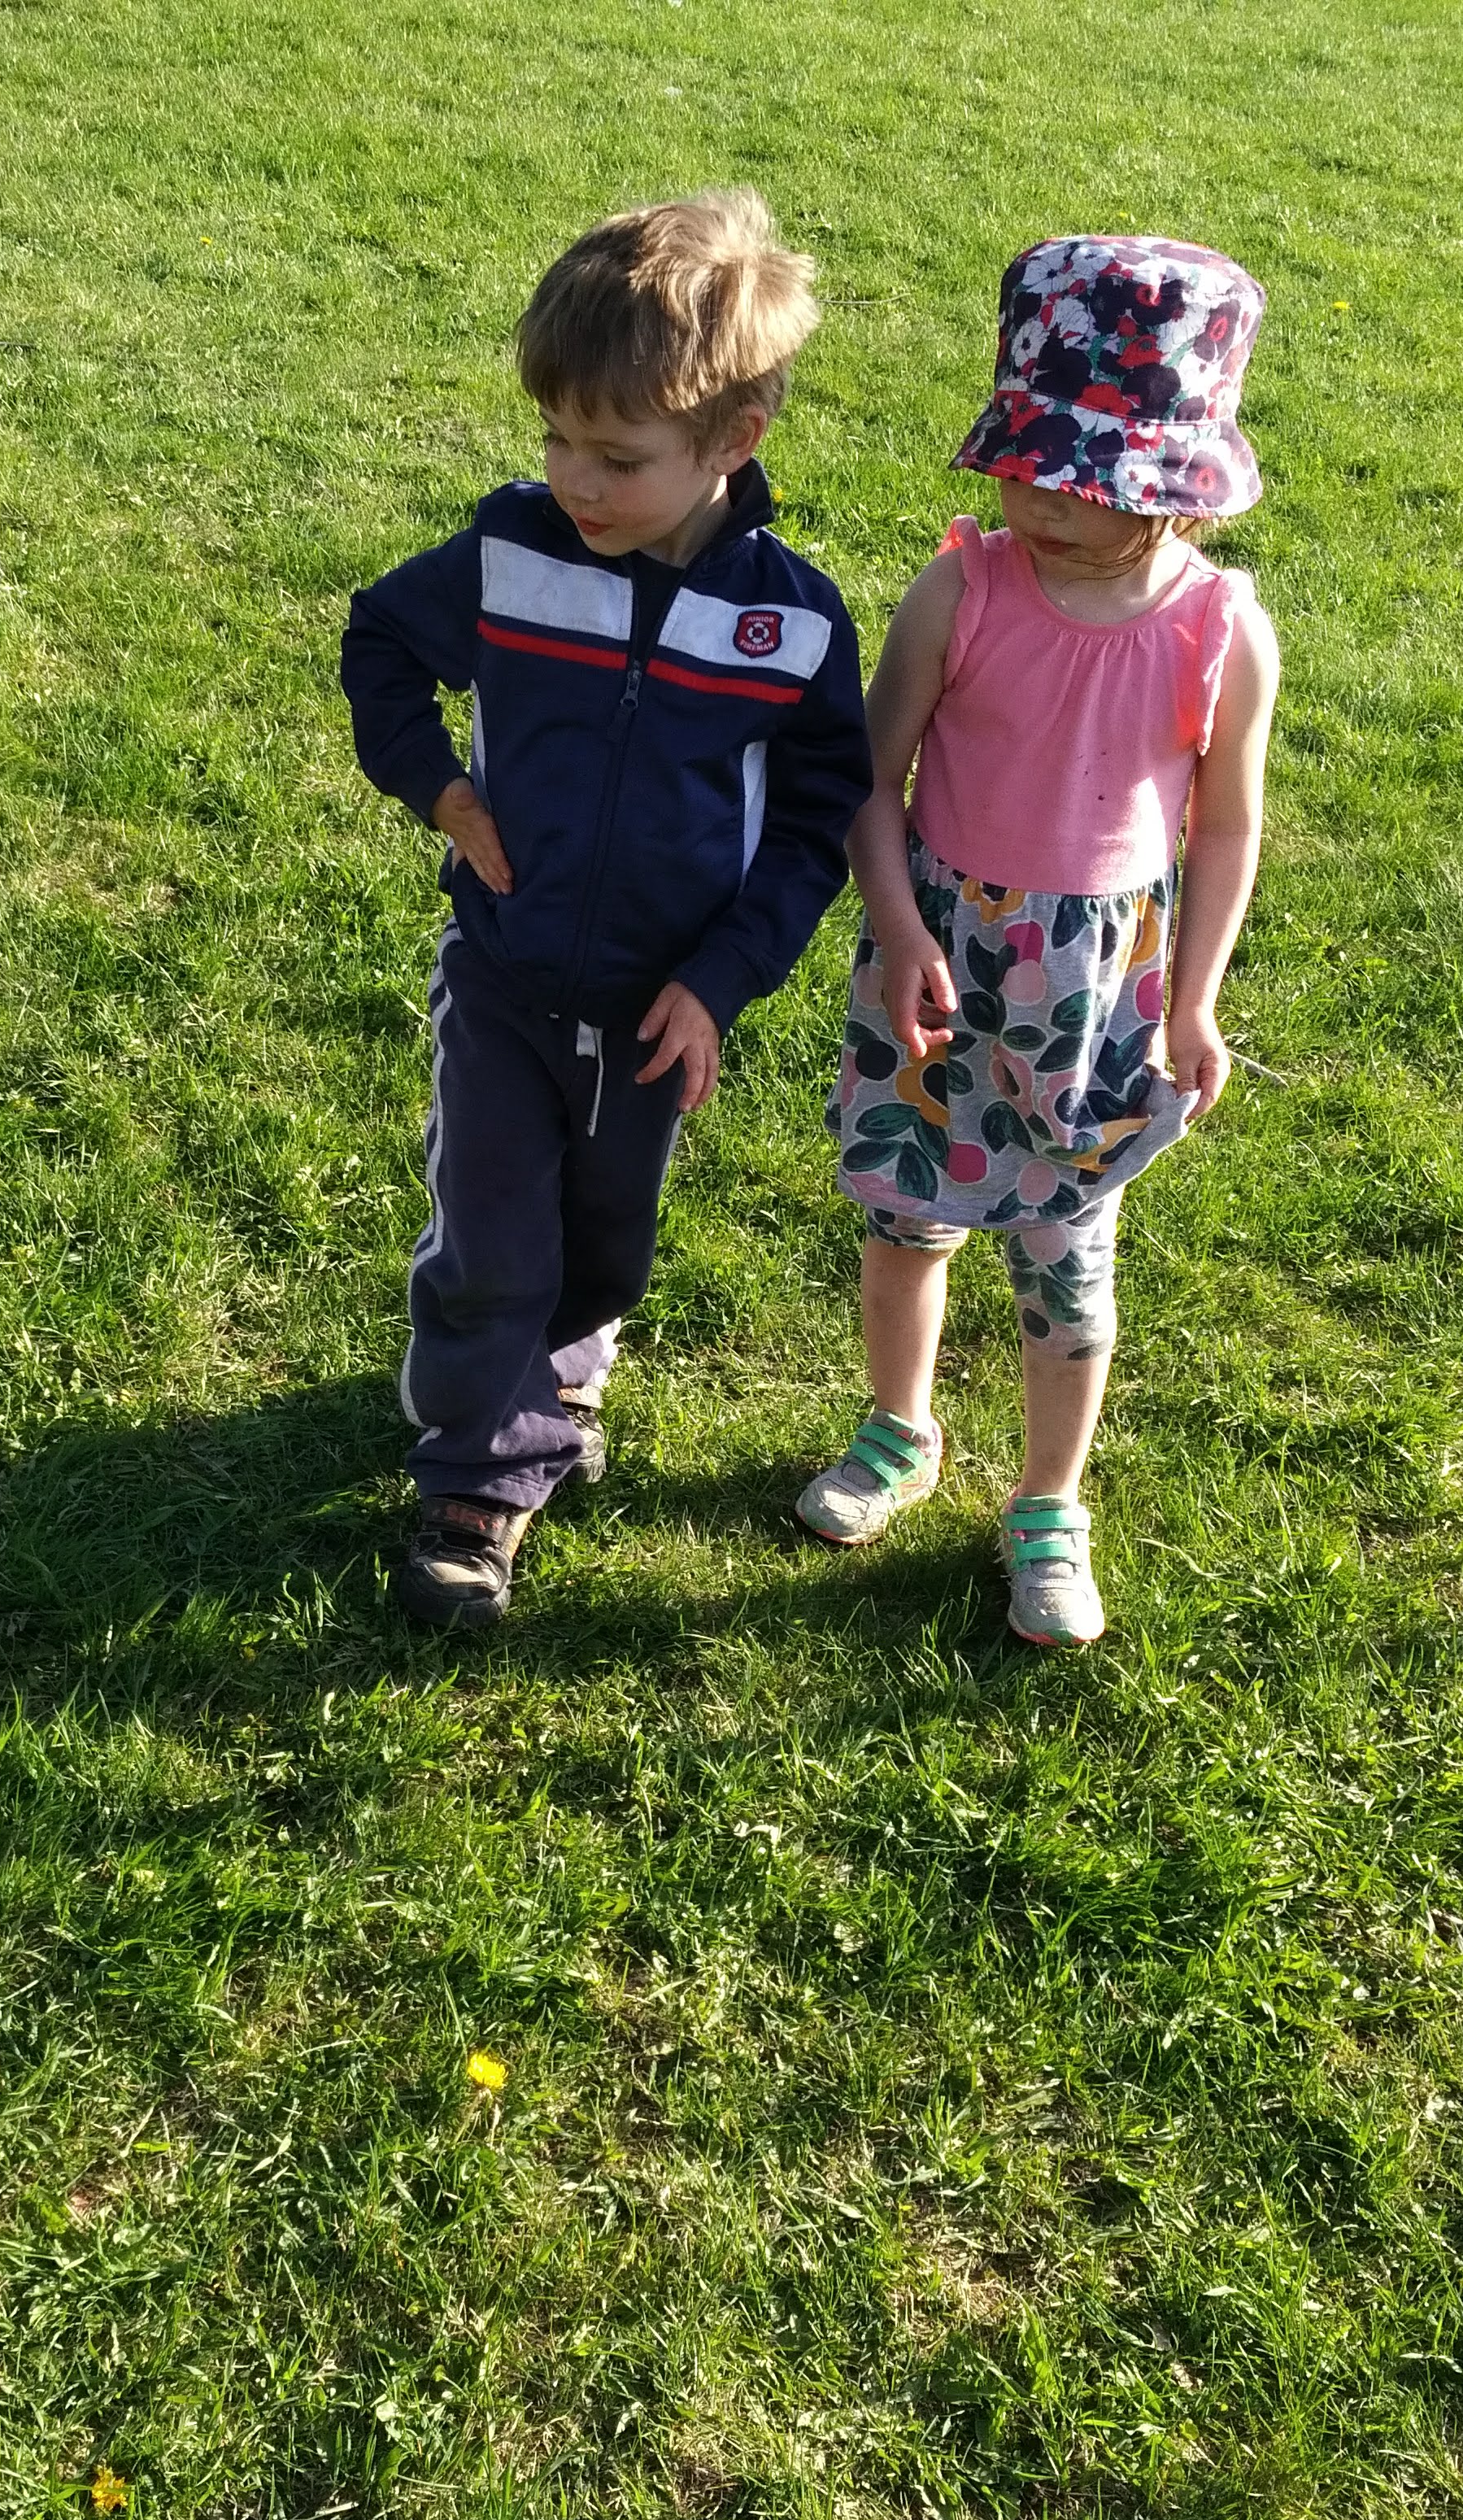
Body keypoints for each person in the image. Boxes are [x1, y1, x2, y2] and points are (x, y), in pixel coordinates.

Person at [342, 192, 869, 1629]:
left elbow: (816, 821)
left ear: (734, 438)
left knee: (603, 1244)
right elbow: (382, 640)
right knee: (491, 1236)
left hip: (656, 1006)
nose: (574, 479)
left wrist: (722, 978)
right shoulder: (512, 556)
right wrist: (442, 790)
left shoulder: (791, 626)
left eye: (618, 457)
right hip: (507, 972)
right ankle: (477, 1483)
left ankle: (561, 1358)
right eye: (556, 439)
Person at [799, 235, 1282, 1646]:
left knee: (1068, 1263)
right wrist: (898, 929)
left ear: (1175, 484)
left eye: (1095, 482)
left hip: (1094, 997)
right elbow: (868, 781)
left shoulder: (1220, 631)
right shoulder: (961, 591)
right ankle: (900, 1426)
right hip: (942, 969)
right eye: (1031, 469)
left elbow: (1227, 830)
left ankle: (1049, 1501)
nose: (1049, 504)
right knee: (910, 1220)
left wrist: (1195, 1003)